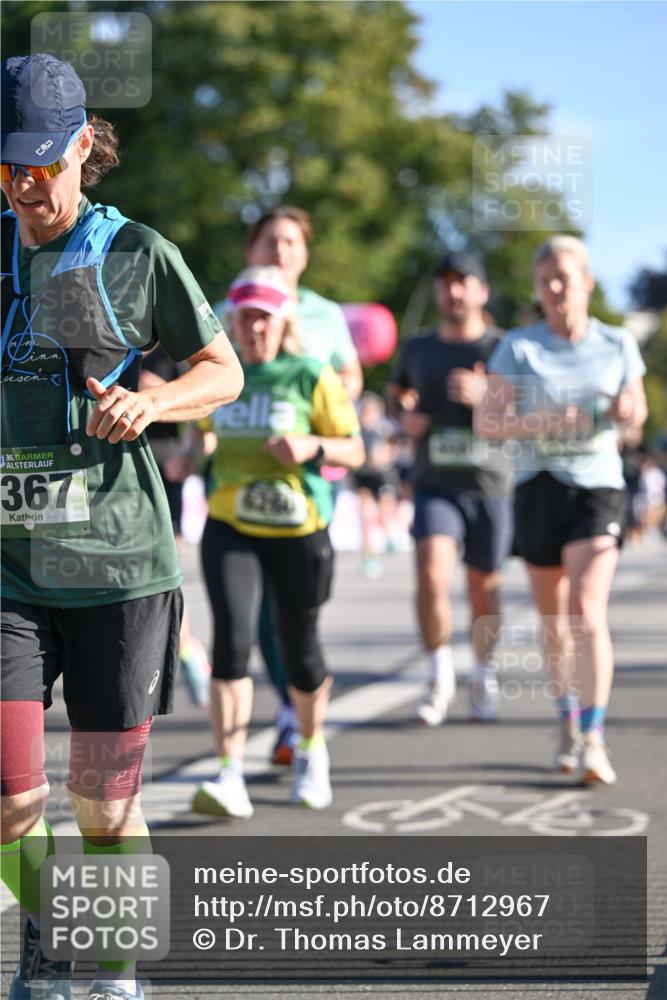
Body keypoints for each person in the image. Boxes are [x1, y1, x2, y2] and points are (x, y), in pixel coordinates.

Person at [0, 54, 243, 1000]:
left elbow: (220, 370)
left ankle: (110, 971)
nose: (26, 186)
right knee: (10, 801)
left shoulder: (135, 251)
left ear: (80, 148)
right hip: (10, 567)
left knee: (102, 806)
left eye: (41, 163)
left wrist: (154, 402)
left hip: (116, 567)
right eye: (7, 166)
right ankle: (54, 934)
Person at [178, 266, 363, 817]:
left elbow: (355, 449)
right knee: (232, 643)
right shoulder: (219, 376)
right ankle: (229, 772)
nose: (255, 328)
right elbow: (197, 441)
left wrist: (311, 446)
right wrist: (187, 457)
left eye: (265, 317)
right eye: (245, 318)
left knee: (299, 649)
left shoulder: (310, 375)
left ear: (283, 322)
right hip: (231, 525)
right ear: (231, 323)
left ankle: (311, 749)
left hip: (298, 530)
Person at [478, 235, 648, 784]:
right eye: (545, 279)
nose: (555, 288)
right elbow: (488, 423)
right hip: (538, 486)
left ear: (587, 283)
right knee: (555, 624)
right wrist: (545, 422)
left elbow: (636, 415)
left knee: (585, 611)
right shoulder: (518, 347)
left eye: (565, 278)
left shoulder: (617, 343)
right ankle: (568, 719)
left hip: (597, 488)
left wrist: (627, 411)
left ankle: (594, 736)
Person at [243, 205, 363, 764]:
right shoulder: (231, 306)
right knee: (261, 606)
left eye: (291, 242)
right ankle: (291, 711)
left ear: (306, 254)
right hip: (244, 475)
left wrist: (320, 397)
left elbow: (351, 375)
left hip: (310, 472)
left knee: (301, 604)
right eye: (270, 241)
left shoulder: (324, 313)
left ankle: (302, 692)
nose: (280, 251)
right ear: (252, 250)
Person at [386, 253, 514, 725]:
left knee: (483, 587)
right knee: (430, 576)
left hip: (489, 484)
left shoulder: (506, 346)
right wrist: (404, 417)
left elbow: (527, 413)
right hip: (434, 483)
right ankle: (439, 675)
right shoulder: (418, 347)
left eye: (462, 282)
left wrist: (486, 399)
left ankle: (482, 672)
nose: (452, 292)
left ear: (482, 291)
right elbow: (395, 394)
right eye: (444, 284)